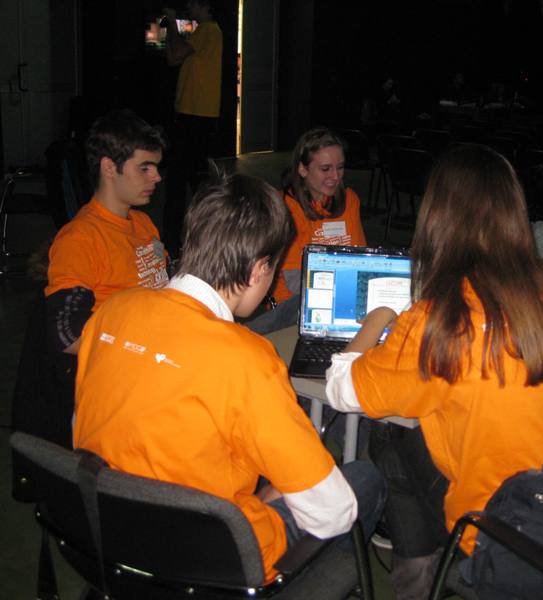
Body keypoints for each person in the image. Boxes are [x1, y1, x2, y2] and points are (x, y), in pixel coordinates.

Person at [72, 172, 385, 588]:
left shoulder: (111, 313)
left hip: (112, 536)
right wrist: (268, 498)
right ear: (258, 270)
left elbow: (86, 428)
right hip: (214, 557)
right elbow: (332, 514)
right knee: (363, 480)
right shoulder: (246, 358)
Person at [326, 144, 543, 599]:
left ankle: (419, 575)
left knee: (390, 433)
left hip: (502, 531)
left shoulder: (437, 321)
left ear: (437, 219)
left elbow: (342, 390)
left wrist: (377, 321)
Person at [45, 109, 169, 357]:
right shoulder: (80, 239)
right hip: (128, 361)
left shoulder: (144, 224)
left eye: (155, 167)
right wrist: (143, 348)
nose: (156, 177)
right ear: (109, 168)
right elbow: (68, 336)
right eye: (145, 168)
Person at [245, 127, 367, 334]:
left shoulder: (350, 200)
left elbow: (361, 259)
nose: (335, 176)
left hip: (341, 300)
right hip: (294, 307)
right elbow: (295, 283)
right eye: (325, 169)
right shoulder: (286, 207)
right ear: (303, 169)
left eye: (340, 167)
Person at [162, 0, 222, 256]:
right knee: (191, 180)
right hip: (194, 113)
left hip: (196, 114)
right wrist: (172, 30)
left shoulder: (208, 29)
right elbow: (172, 59)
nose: (189, 9)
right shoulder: (202, 32)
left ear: (205, 6)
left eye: (194, 5)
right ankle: (198, 239)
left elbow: (176, 54)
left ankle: (173, 242)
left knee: (179, 181)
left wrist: (172, 23)